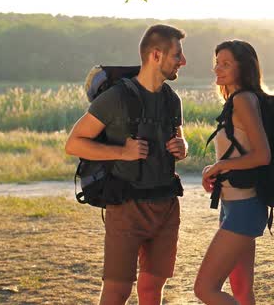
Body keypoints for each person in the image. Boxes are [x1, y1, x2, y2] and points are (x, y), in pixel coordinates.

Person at [65, 24, 188, 305]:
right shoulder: (116, 98)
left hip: (167, 204)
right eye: (177, 55)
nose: (183, 61)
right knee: (117, 292)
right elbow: (74, 143)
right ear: (156, 55)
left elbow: (179, 141)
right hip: (126, 206)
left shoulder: (172, 99)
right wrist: (122, 152)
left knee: (152, 289)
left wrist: (183, 148)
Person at [194, 40, 271, 305]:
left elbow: (262, 155)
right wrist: (214, 169)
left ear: (244, 67)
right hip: (234, 204)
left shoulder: (243, 101)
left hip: (244, 207)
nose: (218, 68)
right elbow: (239, 152)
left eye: (226, 63)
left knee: (205, 289)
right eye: (217, 62)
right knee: (241, 290)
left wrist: (221, 166)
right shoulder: (236, 101)